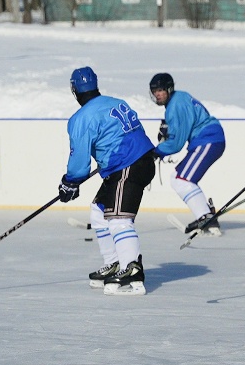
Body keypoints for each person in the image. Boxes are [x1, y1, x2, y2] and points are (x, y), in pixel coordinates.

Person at [60, 66, 156, 296]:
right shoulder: (116, 102)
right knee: (98, 211)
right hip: (140, 161)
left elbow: (80, 163)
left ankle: (132, 270)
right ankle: (114, 263)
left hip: (127, 166)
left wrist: (69, 182)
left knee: (119, 220)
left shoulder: (81, 119)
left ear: (74, 90)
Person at [149, 72, 226, 236]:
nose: (157, 94)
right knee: (178, 178)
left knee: (181, 179)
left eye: (161, 90)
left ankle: (206, 217)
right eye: (154, 91)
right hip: (209, 140)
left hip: (207, 140)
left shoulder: (176, 105)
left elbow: (176, 143)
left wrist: (157, 151)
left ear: (169, 89)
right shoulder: (180, 98)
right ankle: (207, 216)